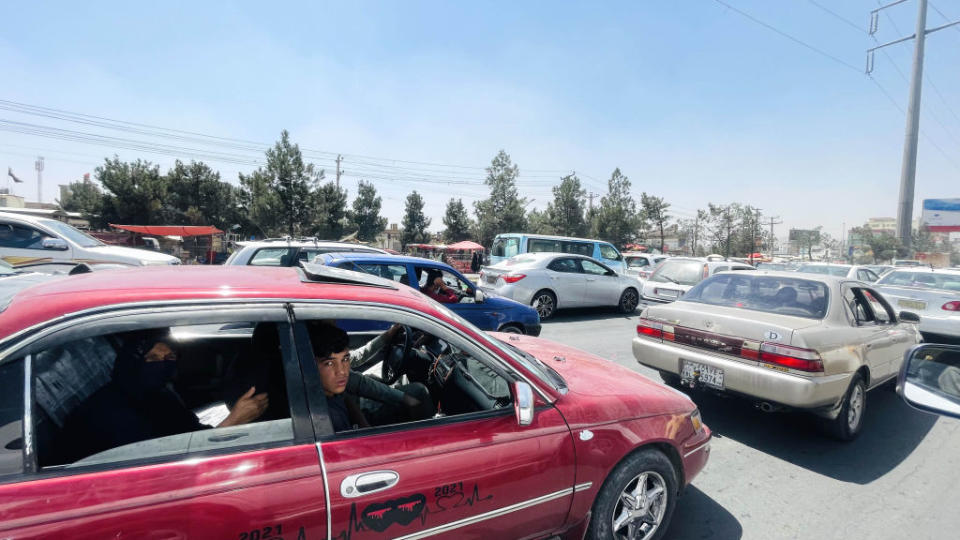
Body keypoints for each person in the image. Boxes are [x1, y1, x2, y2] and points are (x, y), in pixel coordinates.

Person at [56, 329, 268, 464]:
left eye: (169, 357)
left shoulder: (153, 396)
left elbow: (187, 432)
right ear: (131, 361)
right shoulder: (111, 415)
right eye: (152, 357)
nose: (162, 364)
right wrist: (233, 422)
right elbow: (168, 470)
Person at [310, 323, 432, 432]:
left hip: (358, 407)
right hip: (363, 409)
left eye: (345, 359)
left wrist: (387, 336)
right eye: (329, 363)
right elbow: (363, 384)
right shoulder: (328, 420)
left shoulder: (333, 389)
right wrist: (406, 399)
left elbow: (358, 358)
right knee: (419, 392)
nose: (341, 371)